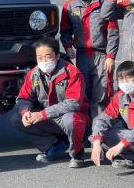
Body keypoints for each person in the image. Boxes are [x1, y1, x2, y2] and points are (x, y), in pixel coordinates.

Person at [10, 37, 89, 168]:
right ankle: (53, 146)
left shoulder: (72, 72)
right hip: (49, 117)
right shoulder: (33, 74)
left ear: (57, 56)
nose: (43, 61)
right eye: (39, 57)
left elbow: (74, 103)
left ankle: (77, 153)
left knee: (72, 120)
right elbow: (24, 97)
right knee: (17, 119)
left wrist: (43, 114)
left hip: (71, 117)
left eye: (48, 57)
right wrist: (25, 112)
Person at [60, 0, 119, 120]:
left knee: (101, 94)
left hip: (102, 56)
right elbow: (65, 31)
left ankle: (100, 131)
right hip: (81, 56)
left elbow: (113, 32)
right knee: (83, 93)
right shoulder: (69, 6)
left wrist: (111, 56)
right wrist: (67, 47)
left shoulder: (105, 3)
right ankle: (85, 130)